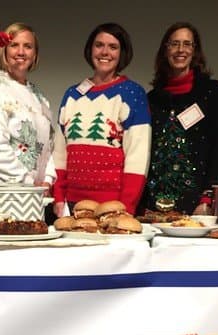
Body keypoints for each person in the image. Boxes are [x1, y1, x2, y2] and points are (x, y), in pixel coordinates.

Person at [52, 23, 151, 216]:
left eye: (113, 47)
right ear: (90, 49)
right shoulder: (72, 95)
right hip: (71, 206)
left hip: (112, 207)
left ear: (122, 53)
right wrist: (58, 198)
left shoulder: (132, 93)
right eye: (99, 45)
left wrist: (125, 208)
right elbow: (59, 153)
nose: (105, 52)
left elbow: (138, 156)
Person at [138, 22, 218, 215]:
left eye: (187, 44)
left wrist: (208, 197)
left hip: (197, 204)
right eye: (174, 44)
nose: (181, 50)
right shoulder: (152, 99)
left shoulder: (212, 92)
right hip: (154, 204)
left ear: (195, 51)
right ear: (165, 50)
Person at [0, 22, 56, 201]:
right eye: (14, 45)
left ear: (35, 54)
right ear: (4, 51)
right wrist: (28, 181)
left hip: (35, 195)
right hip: (2, 191)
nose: (21, 52)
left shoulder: (39, 97)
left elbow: (49, 147)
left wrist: (47, 180)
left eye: (28, 46)